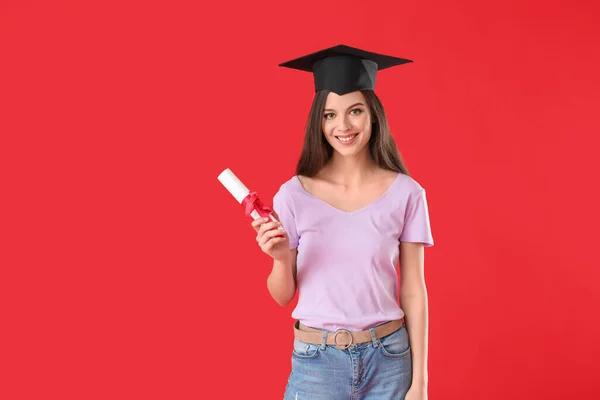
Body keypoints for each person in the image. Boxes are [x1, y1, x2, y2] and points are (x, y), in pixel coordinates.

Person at [251, 44, 434, 400]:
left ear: (373, 115)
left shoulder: (407, 193)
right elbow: (282, 296)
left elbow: (413, 290)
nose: (343, 126)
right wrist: (280, 258)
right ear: (318, 121)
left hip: (390, 359)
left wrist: (420, 384)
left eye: (355, 111)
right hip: (317, 363)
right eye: (330, 115)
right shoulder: (293, 195)